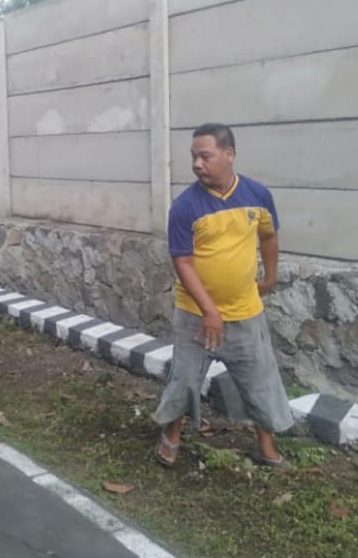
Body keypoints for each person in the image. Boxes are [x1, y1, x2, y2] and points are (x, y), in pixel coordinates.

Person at [153, 123, 294, 468]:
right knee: (185, 377)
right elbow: (182, 262)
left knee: (260, 377)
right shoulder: (185, 206)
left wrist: (271, 277)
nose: (197, 164)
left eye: (205, 156)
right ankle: (171, 434)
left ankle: (266, 445)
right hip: (195, 315)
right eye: (193, 157)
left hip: (246, 311)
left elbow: (269, 237)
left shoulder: (257, 195)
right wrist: (209, 311)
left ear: (228, 155)